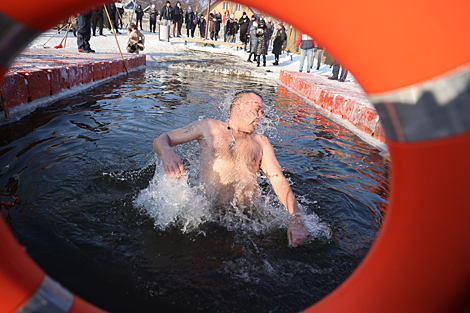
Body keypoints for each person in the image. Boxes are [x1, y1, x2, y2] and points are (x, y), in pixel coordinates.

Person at [152, 91, 310, 248]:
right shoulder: (208, 128)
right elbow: (162, 139)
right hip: (207, 216)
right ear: (239, 106)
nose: (261, 117)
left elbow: (278, 179)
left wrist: (296, 219)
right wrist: (167, 152)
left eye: (263, 112)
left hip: (246, 220)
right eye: (257, 110)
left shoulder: (261, 142)